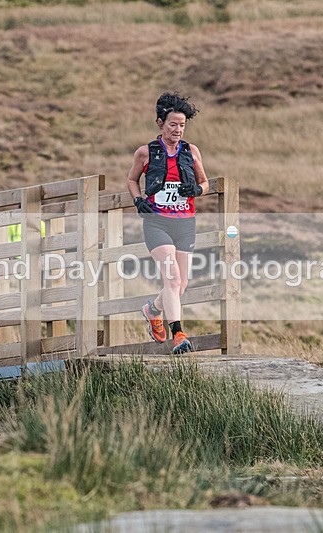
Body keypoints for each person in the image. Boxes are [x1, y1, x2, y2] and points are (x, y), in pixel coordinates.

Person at [127, 92, 209, 355]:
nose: (178, 130)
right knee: (172, 280)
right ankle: (179, 335)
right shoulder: (145, 152)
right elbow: (132, 180)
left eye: (182, 125)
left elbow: (205, 183)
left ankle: (152, 310)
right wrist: (138, 200)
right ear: (160, 123)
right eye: (173, 124)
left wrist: (196, 190)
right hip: (157, 223)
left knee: (180, 285)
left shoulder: (191, 151)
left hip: (185, 223)